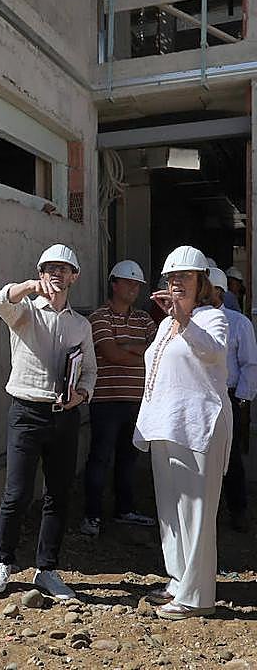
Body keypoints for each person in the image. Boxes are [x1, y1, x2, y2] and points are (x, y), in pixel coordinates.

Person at [0, 244, 97, 600]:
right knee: (16, 495)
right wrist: (30, 286)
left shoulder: (81, 324)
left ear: (74, 276)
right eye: (49, 268)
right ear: (41, 272)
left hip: (64, 417)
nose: (56, 274)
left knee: (58, 496)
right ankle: (3, 562)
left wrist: (81, 395)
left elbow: (90, 371)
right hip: (26, 413)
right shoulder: (25, 314)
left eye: (64, 269)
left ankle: (46, 570)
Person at [134, 246, 231, 621]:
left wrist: (185, 320)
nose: (177, 283)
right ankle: (178, 581)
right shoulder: (163, 324)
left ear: (201, 282)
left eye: (185, 277)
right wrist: (175, 320)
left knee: (196, 512)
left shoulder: (212, 319)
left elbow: (212, 352)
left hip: (200, 424)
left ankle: (197, 595)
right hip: (166, 423)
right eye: (172, 278)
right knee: (170, 511)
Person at [80, 260, 157, 537]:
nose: (134, 288)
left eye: (137, 285)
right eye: (129, 283)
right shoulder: (99, 318)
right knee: (100, 457)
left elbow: (157, 355)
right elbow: (111, 354)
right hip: (106, 401)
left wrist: (127, 347)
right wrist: (139, 352)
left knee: (128, 457)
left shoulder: (144, 319)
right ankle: (92, 515)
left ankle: (125, 509)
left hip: (138, 402)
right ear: (114, 283)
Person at [209, 267, 255, 531]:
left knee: (231, 456)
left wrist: (242, 399)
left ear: (219, 292)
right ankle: (207, 512)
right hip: (200, 396)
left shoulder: (238, 323)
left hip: (227, 395)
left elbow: (249, 363)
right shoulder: (189, 321)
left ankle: (237, 509)